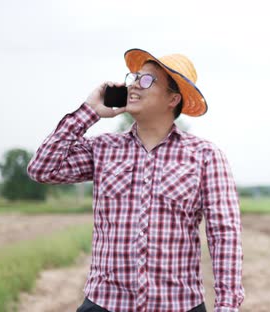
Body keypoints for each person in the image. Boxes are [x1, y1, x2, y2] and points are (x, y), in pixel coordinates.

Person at [27, 48, 244, 312]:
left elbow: (224, 235)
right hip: (105, 304)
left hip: (178, 305)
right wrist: (88, 112)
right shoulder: (104, 148)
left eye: (146, 80)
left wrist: (227, 307)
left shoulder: (206, 156)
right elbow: (42, 169)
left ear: (173, 99)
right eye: (133, 78)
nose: (133, 87)